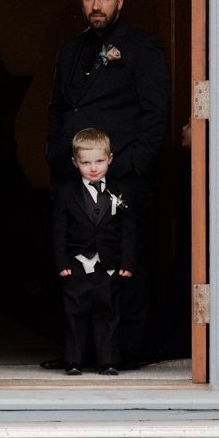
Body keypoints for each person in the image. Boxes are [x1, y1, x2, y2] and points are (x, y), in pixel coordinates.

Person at [45, 0, 169, 366]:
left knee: (124, 264)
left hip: (120, 173)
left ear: (120, 2)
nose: (96, 6)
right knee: (74, 264)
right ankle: (77, 354)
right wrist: (55, 154)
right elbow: (59, 108)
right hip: (73, 174)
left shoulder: (142, 47)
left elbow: (156, 113)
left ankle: (125, 352)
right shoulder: (70, 50)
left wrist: (133, 165)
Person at [52, 128, 136, 376]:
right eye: (85, 162)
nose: (93, 168)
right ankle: (74, 360)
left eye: (99, 161)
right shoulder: (66, 193)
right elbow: (59, 230)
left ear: (110, 158)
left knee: (108, 312)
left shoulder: (120, 191)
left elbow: (129, 229)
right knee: (75, 312)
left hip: (109, 263)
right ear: (74, 162)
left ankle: (107, 360)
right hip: (77, 263)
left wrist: (127, 262)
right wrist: (61, 262)